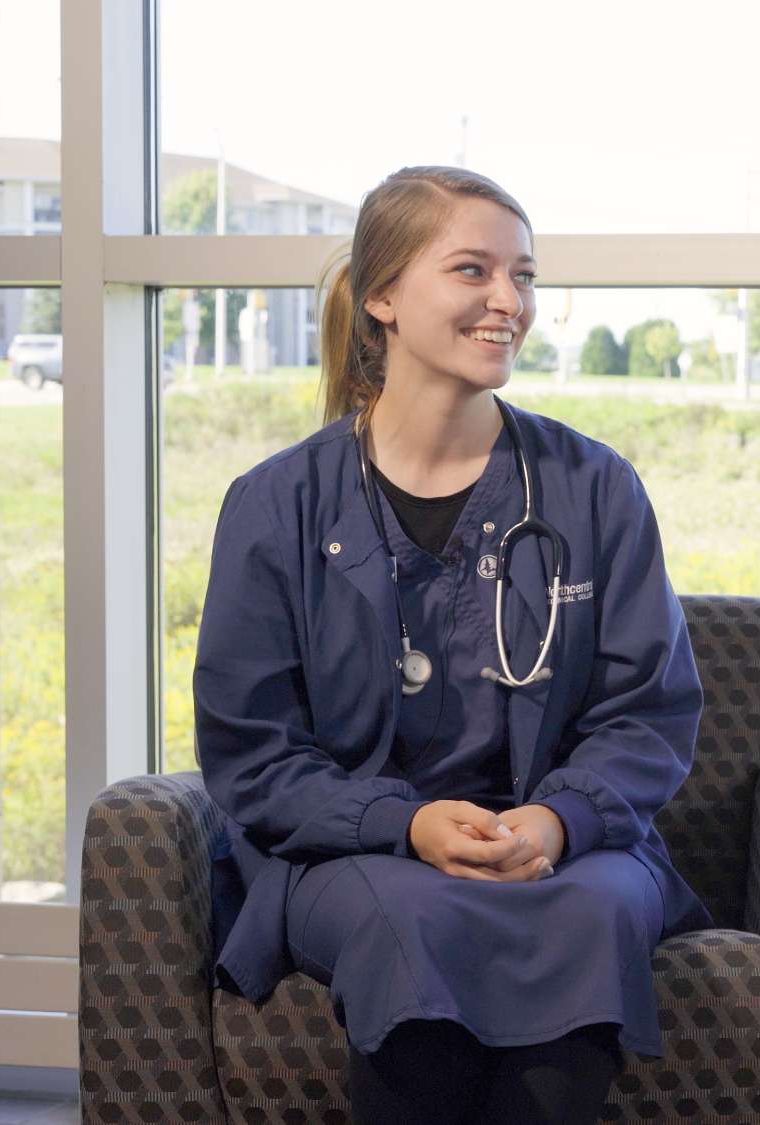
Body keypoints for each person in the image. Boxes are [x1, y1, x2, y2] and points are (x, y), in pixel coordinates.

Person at [195, 166, 711, 1124]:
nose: (507, 302)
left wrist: (557, 820)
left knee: (593, 913)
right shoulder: (275, 505)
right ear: (383, 295)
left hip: (565, 848)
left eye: (524, 275)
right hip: (350, 853)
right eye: (473, 270)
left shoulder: (595, 488)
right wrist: (408, 824)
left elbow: (648, 714)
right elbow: (252, 752)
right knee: (414, 916)